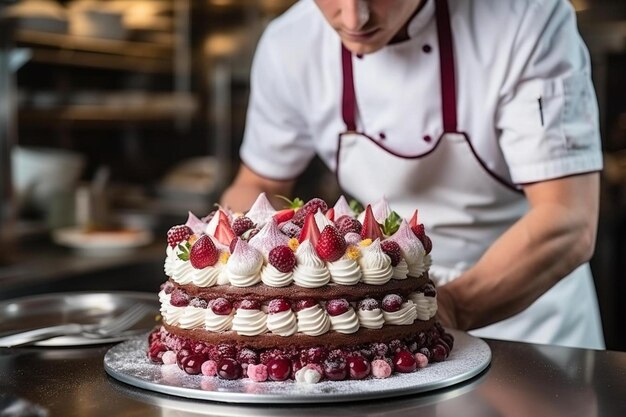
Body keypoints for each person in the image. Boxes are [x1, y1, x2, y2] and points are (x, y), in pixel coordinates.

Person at [221, 0, 605, 350]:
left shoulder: (527, 21)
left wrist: (446, 308)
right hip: (378, 317)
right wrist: (240, 267)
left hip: (530, 326)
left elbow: (566, 220)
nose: (355, 17)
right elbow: (258, 186)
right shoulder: (290, 42)